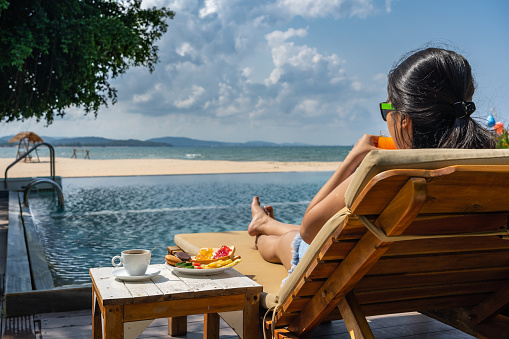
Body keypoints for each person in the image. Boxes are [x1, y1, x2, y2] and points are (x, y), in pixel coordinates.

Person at [247, 47, 496, 281]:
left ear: (405, 119)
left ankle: (261, 234)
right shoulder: (490, 168)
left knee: (292, 242)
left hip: (364, 277)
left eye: (387, 107)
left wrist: (354, 159)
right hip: (438, 277)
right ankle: (267, 223)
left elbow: (309, 229)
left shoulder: (385, 173)